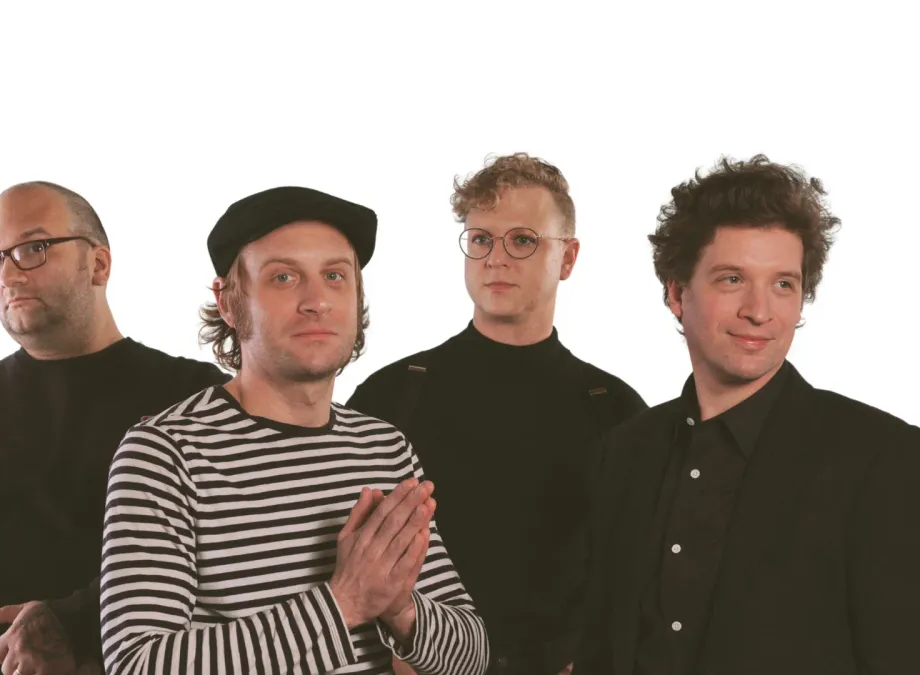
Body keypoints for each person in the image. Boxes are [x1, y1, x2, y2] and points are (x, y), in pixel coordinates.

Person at [97, 186, 491, 675]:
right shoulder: (165, 453)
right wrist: (344, 603)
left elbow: (471, 657)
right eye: (283, 277)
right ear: (228, 301)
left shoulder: (384, 447)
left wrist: (401, 609)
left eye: (335, 276)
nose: (317, 301)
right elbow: (137, 665)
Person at [0, 181, 229, 675]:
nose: (8, 274)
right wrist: (8, 655)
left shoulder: (196, 397)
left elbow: (227, 545)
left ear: (98, 264)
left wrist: (69, 631)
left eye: (33, 248)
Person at [574, 155, 920, 675]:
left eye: (783, 284)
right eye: (733, 278)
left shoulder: (883, 458)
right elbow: (600, 648)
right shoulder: (624, 451)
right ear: (677, 293)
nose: (760, 311)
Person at [346, 153, 647, 675]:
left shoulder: (614, 408)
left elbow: (639, 571)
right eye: (482, 239)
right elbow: (333, 552)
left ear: (568, 257)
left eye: (523, 240)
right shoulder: (391, 394)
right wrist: (393, 654)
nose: (496, 259)